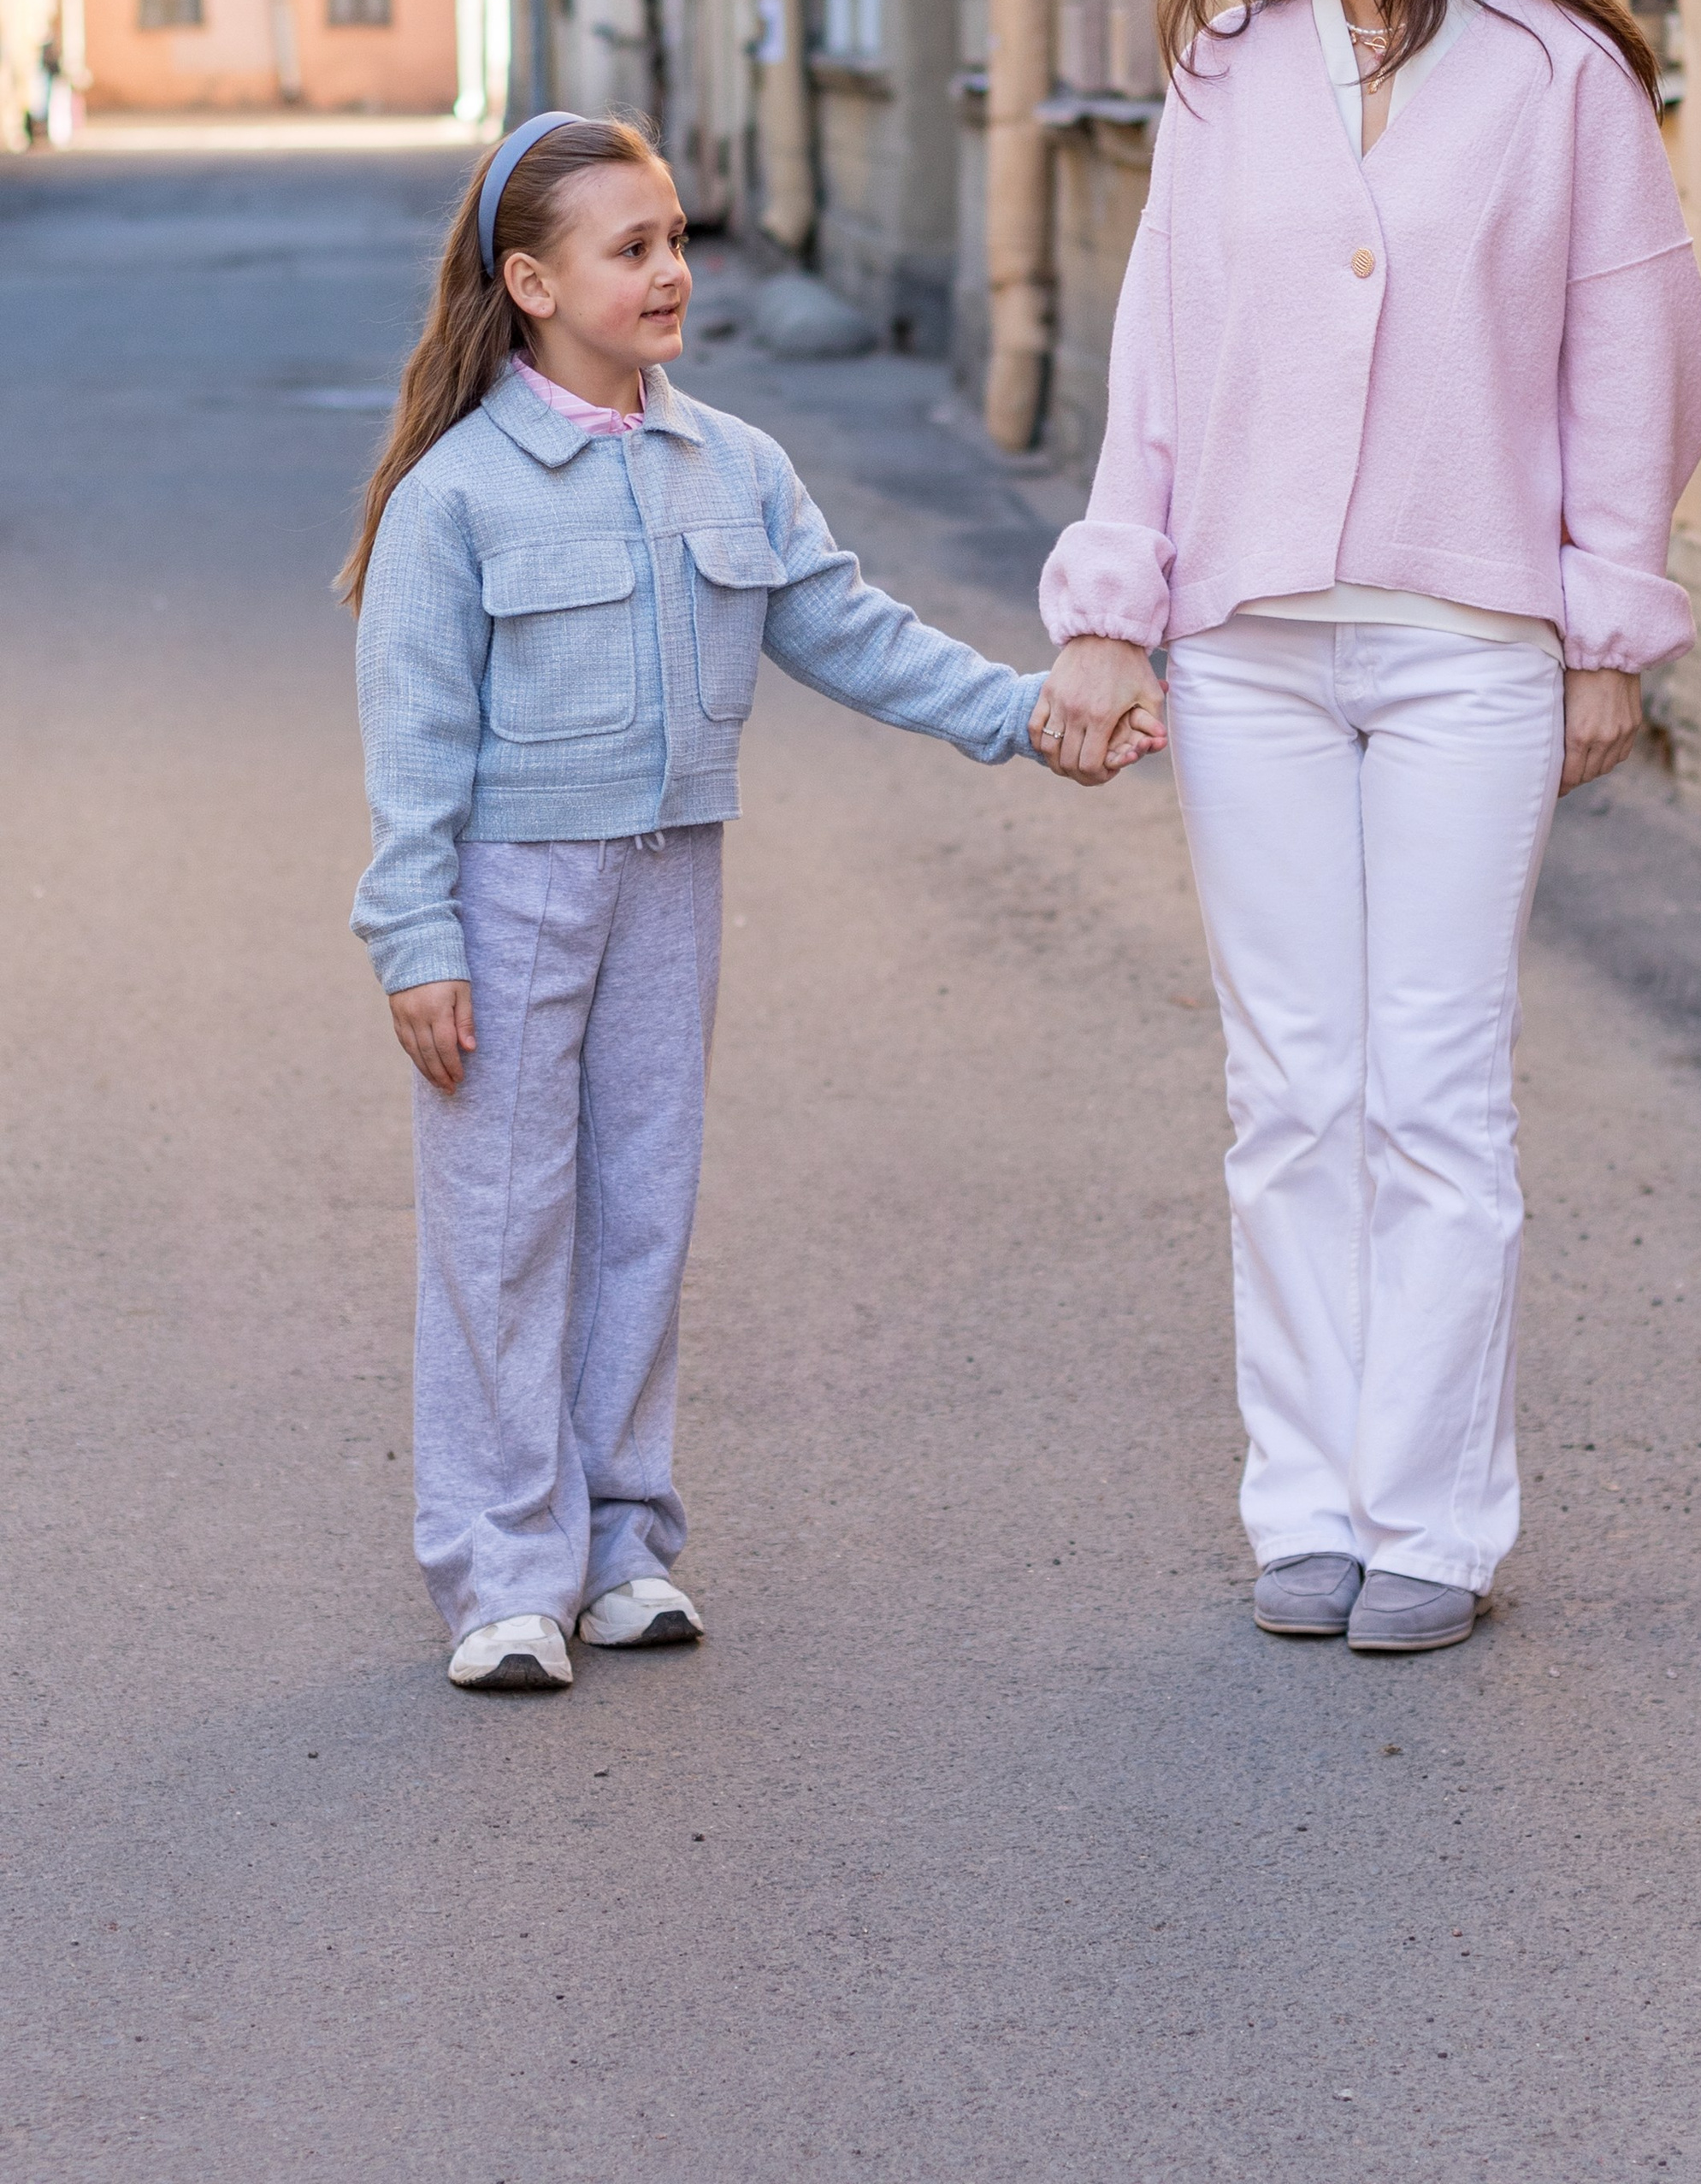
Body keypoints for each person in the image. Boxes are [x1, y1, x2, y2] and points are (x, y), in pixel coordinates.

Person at [1031, 0, 1701, 1655]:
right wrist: (1111, 606)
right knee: (1287, 1093)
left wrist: (1605, 623)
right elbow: (1158, 357)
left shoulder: (1559, 74)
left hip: (1464, 644)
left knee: (1432, 1088)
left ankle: (1428, 1520)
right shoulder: (1225, 69)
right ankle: (1302, 1506)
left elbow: (1631, 360)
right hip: (1246, 644)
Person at [342, 111, 1160, 1694]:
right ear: (530, 284)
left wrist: (1028, 716)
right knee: (503, 1227)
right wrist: (416, 940)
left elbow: (857, 634)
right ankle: (504, 1572)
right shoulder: (458, 496)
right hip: (511, 894)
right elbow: (412, 740)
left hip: (670, 882)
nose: (672, 270)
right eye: (631, 249)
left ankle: (622, 1542)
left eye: (673, 241)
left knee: (643, 1209)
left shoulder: (737, 466)